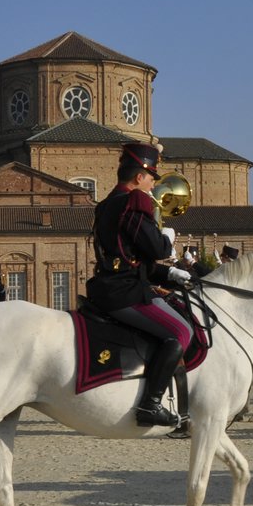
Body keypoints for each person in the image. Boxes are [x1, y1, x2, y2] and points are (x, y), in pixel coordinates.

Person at [85, 142, 193, 430]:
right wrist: (167, 237)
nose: (152, 185)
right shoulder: (134, 201)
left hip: (112, 284)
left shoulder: (108, 203)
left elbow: (128, 258)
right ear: (138, 177)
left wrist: (169, 275)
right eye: (151, 178)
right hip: (124, 292)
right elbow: (155, 246)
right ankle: (150, 404)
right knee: (181, 331)